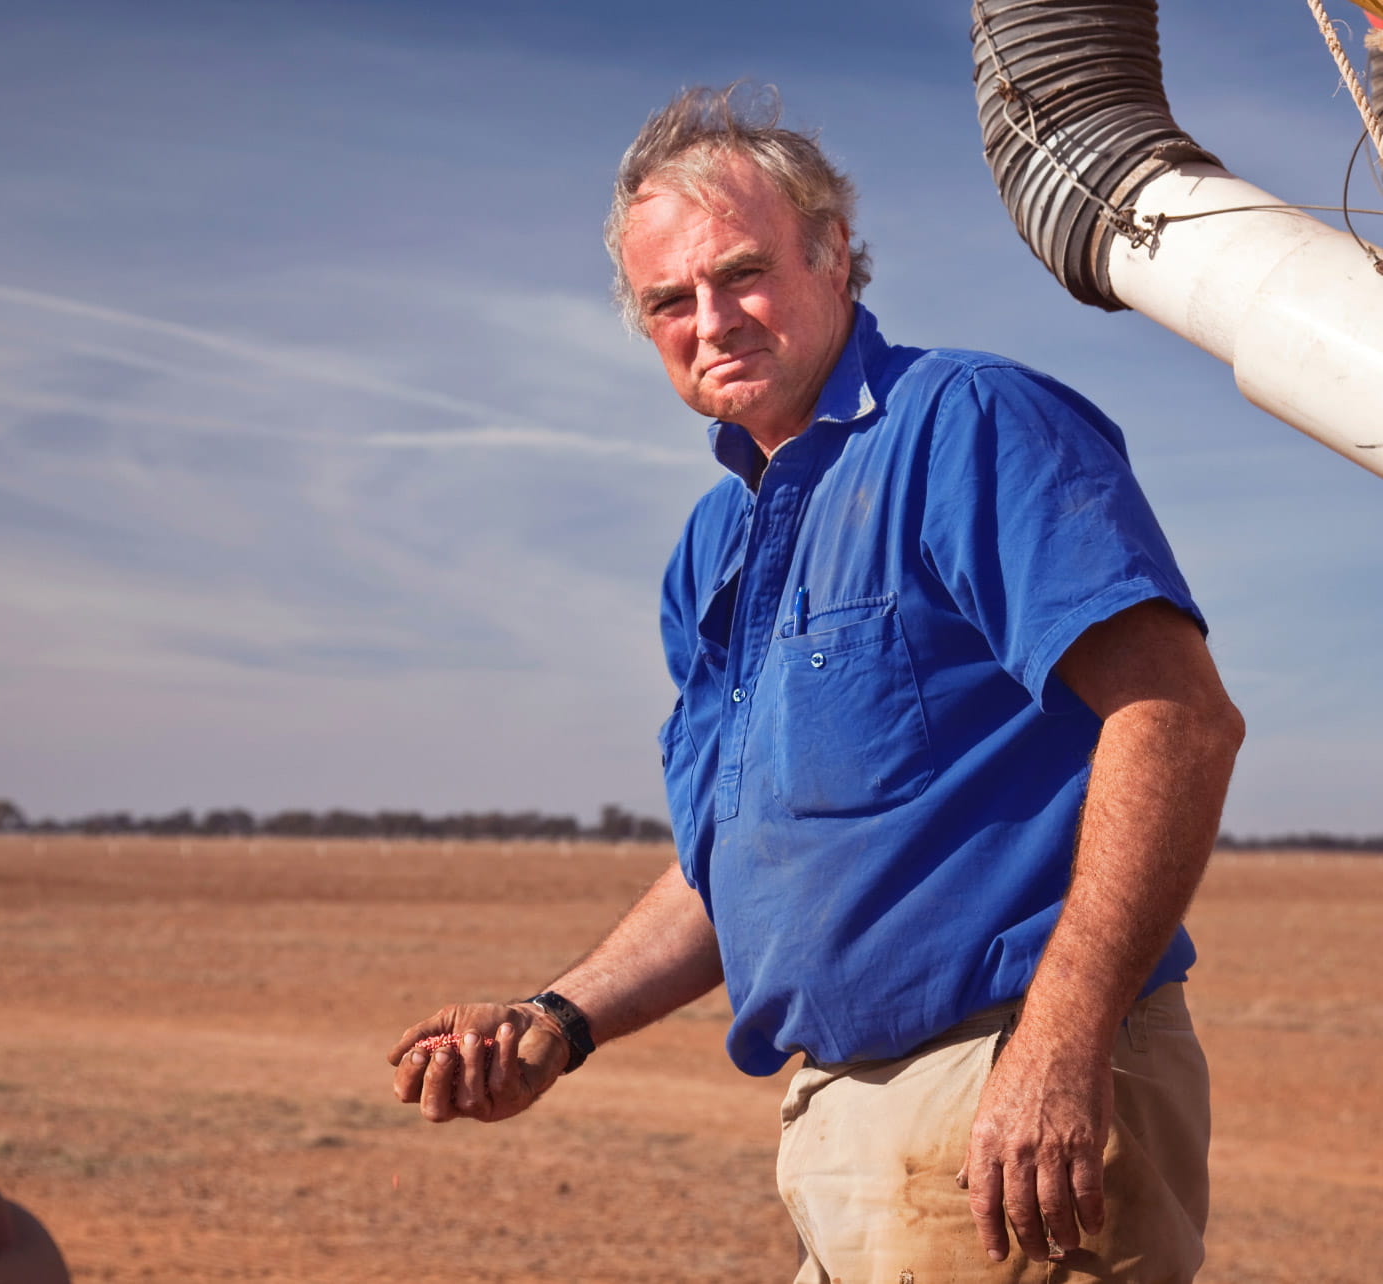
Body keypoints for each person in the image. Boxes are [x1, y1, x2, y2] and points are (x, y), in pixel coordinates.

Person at [388, 84, 1243, 1283]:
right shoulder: (713, 548)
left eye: (740, 272)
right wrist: (558, 1021)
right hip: (838, 1121)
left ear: (835, 255)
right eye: (668, 301)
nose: (712, 319)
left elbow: (1178, 722)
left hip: (1010, 1093)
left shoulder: (966, 425)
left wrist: (1057, 1047)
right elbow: (741, 867)